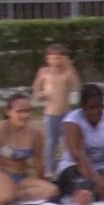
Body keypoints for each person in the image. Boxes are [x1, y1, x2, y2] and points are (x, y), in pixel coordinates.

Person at [0, 93, 59, 205]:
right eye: (19, 111)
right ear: (8, 112)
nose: (24, 115)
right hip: (0, 174)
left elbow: (39, 163)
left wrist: (42, 181)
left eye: (27, 111)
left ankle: (12, 196)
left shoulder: (35, 133)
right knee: (2, 200)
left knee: (53, 191)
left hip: (21, 178)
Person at [32, 44, 81, 179]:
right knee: (51, 143)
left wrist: (70, 67)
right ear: (48, 59)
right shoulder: (44, 72)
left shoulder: (67, 72)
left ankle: (67, 167)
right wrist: (39, 94)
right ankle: (49, 169)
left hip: (66, 113)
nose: (57, 62)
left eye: (60, 58)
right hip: (50, 113)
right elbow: (36, 88)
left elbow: (77, 85)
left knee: (67, 142)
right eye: (53, 58)